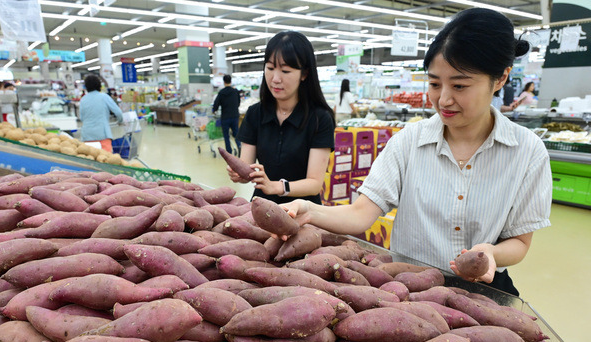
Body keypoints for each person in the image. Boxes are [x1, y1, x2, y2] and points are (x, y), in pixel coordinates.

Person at [282, 8, 552, 296]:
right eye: (435, 83)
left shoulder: (528, 152)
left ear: (500, 79)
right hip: (408, 288)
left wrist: (492, 254)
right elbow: (360, 215)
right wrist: (310, 210)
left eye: (459, 85)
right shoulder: (408, 142)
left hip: (482, 292)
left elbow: (520, 243)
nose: (443, 99)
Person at [229, 31, 335, 204]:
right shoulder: (255, 113)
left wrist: (276, 187)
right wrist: (239, 174)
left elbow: (314, 184)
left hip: (304, 212)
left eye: (285, 70)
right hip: (261, 208)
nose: (275, 79)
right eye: (270, 68)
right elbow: (247, 169)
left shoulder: (320, 119)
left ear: (304, 74)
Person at [79, 74, 123, 153]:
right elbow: (118, 112)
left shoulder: (83, 99)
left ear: (86, 87)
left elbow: (82, 118)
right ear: (99, 85)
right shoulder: (104, 97)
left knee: (89, 159)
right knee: (105, 159)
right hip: (102, 135)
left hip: (87, 135)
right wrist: (120, 121)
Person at [212, 74, 241, 155]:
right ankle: (239, 146)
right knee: (236, 133)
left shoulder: (221, 92)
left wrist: (214, 110)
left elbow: (216, 104)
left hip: (225, 117)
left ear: (224, 82)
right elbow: (238, 102)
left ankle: (229, 152)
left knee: (226, 135)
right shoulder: (235, 91)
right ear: (230, 81)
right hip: (235, 116)